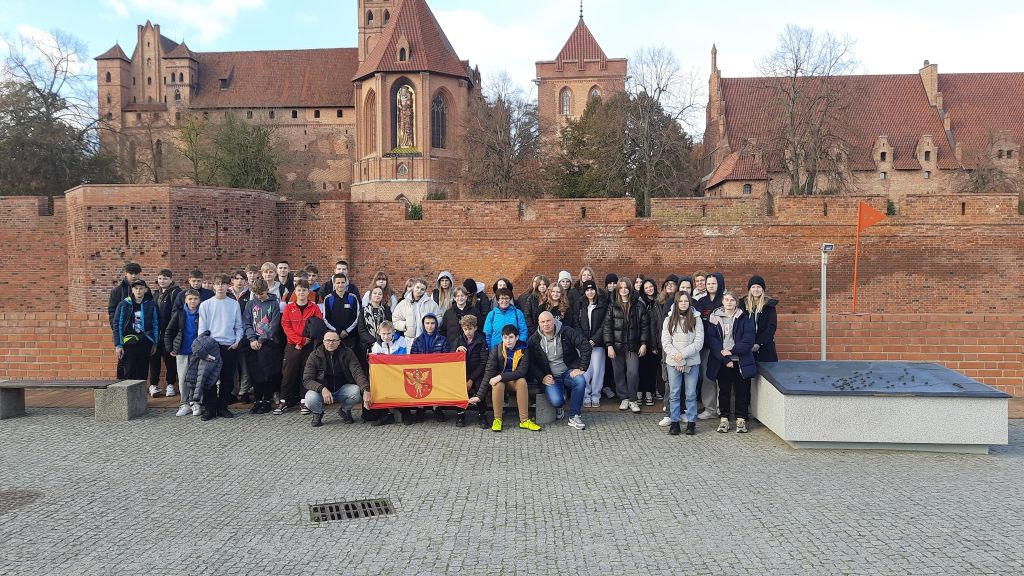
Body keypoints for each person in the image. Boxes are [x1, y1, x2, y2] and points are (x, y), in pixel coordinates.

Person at [470, 324, 541, 432]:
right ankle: (497, 419)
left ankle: (524, 420)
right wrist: (479, 396)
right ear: (502, 338)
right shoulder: (497, 349)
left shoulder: (524, 349)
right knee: (497, 384)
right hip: (500, 383)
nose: (508, 341)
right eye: (505, 337)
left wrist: (501, 376)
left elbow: (522, 372)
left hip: (514, 381)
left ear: (517, 337)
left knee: (522, 382)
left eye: (511, 337)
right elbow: (489, 372)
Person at [529, 311, 591, 430]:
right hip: (551, 376)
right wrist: (542, 377)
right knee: (557, 401)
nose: (546, 324)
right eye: (543, 322)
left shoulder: (566, 331)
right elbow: (531, 363)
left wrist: (582, 368)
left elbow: (585, 345)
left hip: (568, 372)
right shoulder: (534, 340)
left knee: (580, 381)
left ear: (554, 320)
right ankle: (561, 400)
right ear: (539, 323)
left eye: (548, 321)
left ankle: (574, 416)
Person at [706, 290, 756, 434]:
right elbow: (712, 340)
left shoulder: (743, 318)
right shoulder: (714, 318)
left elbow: (748, 340)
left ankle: (741, 419)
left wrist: (732, 351)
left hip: (741, 361)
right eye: (726, 300)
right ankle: (724, 419)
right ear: (722, 302)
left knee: (742, 391)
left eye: (732, 300)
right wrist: (725, 358)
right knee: (724, 391)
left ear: (736, 302)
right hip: (722, 361)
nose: (729, 302)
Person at [197, 274, 244, 420]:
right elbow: (202, 328)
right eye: (217, 284)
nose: (220, 287)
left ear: (227, 286)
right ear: (213, 286)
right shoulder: (206, 305)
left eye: (223, 284)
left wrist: (237, 341)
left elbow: (239, 326)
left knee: (227, 378)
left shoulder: (233, 304)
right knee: (209, 379)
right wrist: (204, 346)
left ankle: (223, 407)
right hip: (211, 345)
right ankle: (210, 408)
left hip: (228, 346)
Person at [302, 330, 368, 428]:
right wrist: (322, 389)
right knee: (309, 399)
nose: (330, 343)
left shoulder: (348, 353)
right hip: (322, 391)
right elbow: (307, 380)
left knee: (356, 392)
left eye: (334, 340)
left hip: (342, 388)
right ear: (323, 342)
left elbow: (357, 372)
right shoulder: (314, 355)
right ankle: (318, 413)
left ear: (339, 342)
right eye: (328, 340)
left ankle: (345, 410)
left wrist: (366, 389)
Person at [277, 279, 324, 414]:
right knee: (288, 373)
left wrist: (307, 341)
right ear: (295, 292)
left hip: (309, 346)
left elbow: (318, 325)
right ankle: (284, 400)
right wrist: (299, 341)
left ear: (308, 292)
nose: (301, 292)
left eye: (304, 290)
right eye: (299, 290)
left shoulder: (314, 307)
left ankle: (304, 401)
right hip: (293, 345)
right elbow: (286, 326)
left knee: (306, 373)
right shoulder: (289, 307)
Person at [661, 292, 704, 436]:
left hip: (691, 362)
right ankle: (674, 423)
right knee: (674, 393)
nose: (684, 303)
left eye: (686, 301)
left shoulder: (696, 319)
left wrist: (683, 357)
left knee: (691, 393)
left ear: (690, 303)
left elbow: (698, 343)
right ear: (677, 303)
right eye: (681, 301)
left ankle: (691, 423)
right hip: (673, 362)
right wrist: (678, 359)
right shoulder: (668, 319)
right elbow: (666, 343)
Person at [604, 277, 649, 413]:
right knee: (618, 373)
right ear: (618, 289)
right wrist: (609, 345)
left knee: (633, 372)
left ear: (629, 288)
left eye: (626, 287)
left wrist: (644, 343)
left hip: (633, 346)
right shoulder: (612, 305)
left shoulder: (638, 305)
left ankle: (633, 399)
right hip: (616, 346)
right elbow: (607, 327)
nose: (623, 290)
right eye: (621, 287)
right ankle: (623, 397)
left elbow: (645, 326)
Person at [242, 278, 282, 415]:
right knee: (256, 372)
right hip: (253, 343)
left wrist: (261, 339)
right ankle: (258, 400)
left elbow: (274, 324)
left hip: (268, 342)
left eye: (262, 294)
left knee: (267, 372)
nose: (259, 296)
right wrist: (252, 339)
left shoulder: (274, 303)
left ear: (267, 290)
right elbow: (246, 323)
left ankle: (266, 399)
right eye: (257, 294)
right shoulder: (250, 304)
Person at [568, 280, 607, 408]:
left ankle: (596, 395)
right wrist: (584, 341)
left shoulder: (602, 303)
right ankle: (586, 395)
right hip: (583, 343)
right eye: (587, 290)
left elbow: (604, 324)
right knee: (585, 370)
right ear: (584, 292)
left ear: (595, 290)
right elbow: (576, 323)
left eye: (592, 289)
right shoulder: (580, 304)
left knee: (597, 370)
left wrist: (594, 340)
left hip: (598, 343)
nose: (590, 292)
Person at [165, 288, 203, 416]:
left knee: (197, 378)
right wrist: (170, 347)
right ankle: (184, 403)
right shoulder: (180, 313)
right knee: (183, 378)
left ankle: (195, 402)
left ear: (199, 300)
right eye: (190, 299)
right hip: (182, 350)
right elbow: (169, 331)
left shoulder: (202, 313)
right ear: (185, 300)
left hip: (197, 352)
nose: (193, 301)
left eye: (195, 299)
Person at [112, 279, 158, 381]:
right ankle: (128, 396)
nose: (138, 291)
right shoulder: (124, 304)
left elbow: (155, 324)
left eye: (141, 288)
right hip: (129, 342)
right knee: (128, 372)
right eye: (136, 288)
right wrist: (118, 345)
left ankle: (140, 396)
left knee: (143, 373)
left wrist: (155, 342)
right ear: (132, 290)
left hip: (145, 341)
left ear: (145, 290)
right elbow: (117, 325)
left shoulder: (151, 304)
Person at [695, 272, 725, 420]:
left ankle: (722, 408)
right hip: (706, 347)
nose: (710, 286)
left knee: (721, 377)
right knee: (707, 377)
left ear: (719, 284)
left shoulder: (724, 301)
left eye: (713, 283)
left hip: (722, 346)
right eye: (708, 284)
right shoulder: (701, 302)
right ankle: (710, 408)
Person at [367, 320, 409, 426]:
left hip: (399, 374)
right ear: (379, 333)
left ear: (393, 332)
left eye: (389, 333)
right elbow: (375, 366)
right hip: (384, 376)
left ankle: (406, 413)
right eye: (383, 334)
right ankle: (387, 415)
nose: (386, 337)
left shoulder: (402, 341)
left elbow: (402, 360)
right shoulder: (376, 346)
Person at [450, 314, 489, 429]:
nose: (468, 332)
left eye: (470, 329)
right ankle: (460, 414)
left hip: (477, 373)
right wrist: (456, 351)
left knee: (480, 386)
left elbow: (484, 362)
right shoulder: (458, 340)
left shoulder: (481, 340)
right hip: (462, 373)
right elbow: (450, 358)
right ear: (462, 328)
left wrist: (471, 379)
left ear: (475, 328)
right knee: (458, 386)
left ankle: (482, 414)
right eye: (465, 329)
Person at [410, 312, 449, 422]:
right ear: (423, 325)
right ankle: (420, 408)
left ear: (436, 324)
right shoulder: (417, 341)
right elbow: (413, 358)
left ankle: (436, 408)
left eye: (432, 323)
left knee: (437, 380)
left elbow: (446, 358)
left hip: (438, 372)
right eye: (427, 323)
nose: (430, 326)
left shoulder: (442, 340)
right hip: (421, 371)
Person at [150, 269, 181, 397]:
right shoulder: (155, 293)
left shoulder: (176, 293)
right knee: (154, 359)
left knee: (170, 360)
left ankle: (170, 385)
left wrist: (171, 330)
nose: (162, 281)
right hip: (156, 334)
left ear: (171, 279)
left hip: (170, 333)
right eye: (160, 278)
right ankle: (154, 385)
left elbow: (176, 313)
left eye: (165, 278)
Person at [740, 275, 779, 363]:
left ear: (763, 289)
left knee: (767, 374)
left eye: (759, 287)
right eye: (753, 287)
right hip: (747, 347)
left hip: (765, 347)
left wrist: (758, 343)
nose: (756, 289)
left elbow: (771, 327)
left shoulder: (769, 306)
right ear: (749, 289)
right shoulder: (742, 305)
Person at [638, 278, 661, 406]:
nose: (649, 289)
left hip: (655, 341)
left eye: (650, 286)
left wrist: (655, 343)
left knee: (652, 368)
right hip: (642, 340)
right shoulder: (640, 302)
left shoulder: (658, 301)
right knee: (642, 368)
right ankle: (640, 392)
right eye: (646, 288)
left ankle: (650, 392)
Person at [322, 273, 361, 351]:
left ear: (346, 283)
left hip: (350, 336)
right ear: (334, 284)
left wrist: (346, 331)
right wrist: (337, 331)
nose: (340, 285)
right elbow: (326, 318)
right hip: (334, 336)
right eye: (338, 283)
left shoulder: (352, 298)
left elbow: (356, 317)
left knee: (348, 358)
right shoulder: (328, 299)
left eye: (342, 282)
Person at [357, 285, 393, 366]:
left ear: (382, 296)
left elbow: (389, 326)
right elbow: (361, 329)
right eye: (375, 293)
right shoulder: (363, 310)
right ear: (370, 296)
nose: (377, 295)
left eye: (380, 294)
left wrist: (380, 340)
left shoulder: (386, 309)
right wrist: (373, 341)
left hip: (383, 342)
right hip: (366, 344)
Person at [107, 262, 144, 330]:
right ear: (126, 273)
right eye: (131, 273)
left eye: (136, 273)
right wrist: (116, 328)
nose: (133, 276)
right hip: (123, 329)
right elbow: (112, 311)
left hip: (141, 329)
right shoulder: (117, 291)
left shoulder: (145, 290)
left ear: (139, 274)